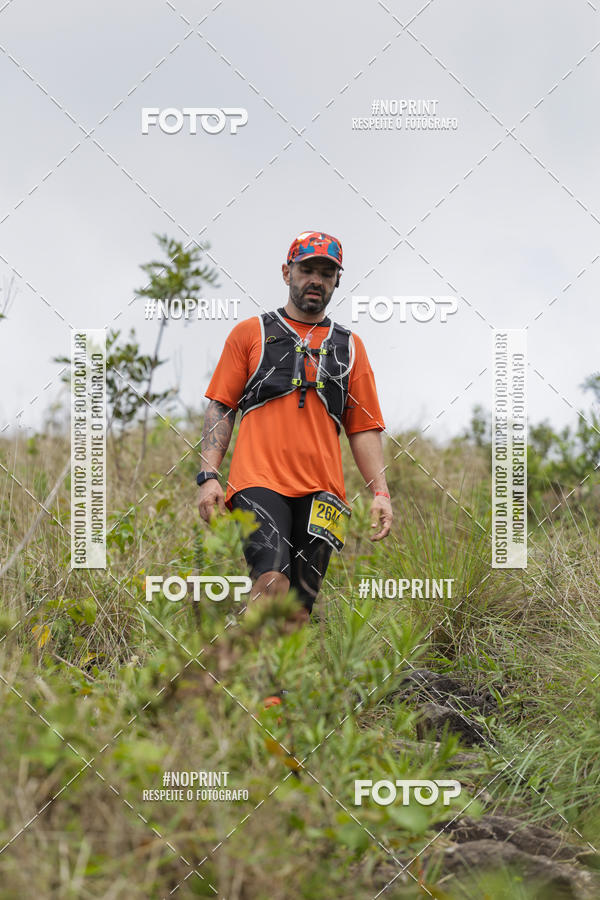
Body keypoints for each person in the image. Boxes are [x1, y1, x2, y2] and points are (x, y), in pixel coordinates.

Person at [196, 230, 392, 625]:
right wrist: (208, 475)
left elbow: (363, 427)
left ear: (337, 280)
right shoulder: (250, 333)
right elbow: (222, 405)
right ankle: (251, 679)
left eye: (326, 272)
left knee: (299, 607)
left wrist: (381, 493)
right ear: (287, 272)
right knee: (271, 579)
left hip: (325, 493)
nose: (315, 280)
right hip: (257, 483)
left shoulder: (350, 347)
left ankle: (276, 687)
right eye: (307, 270)